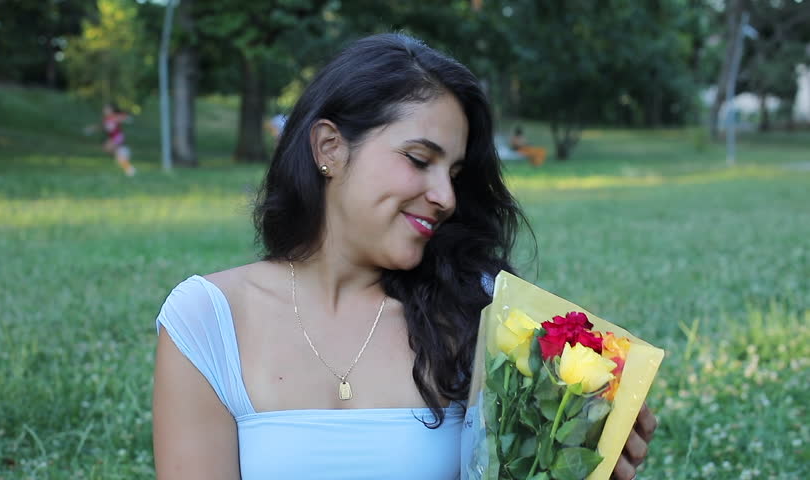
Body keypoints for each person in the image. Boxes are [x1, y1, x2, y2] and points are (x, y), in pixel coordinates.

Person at [152, 33, 656, 479]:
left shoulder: (483, 315)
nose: (446, 196)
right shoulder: (208, 319)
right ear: (329, 147)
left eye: (455, 174)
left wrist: (578, 448)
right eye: (419, 160)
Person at [85, 103, 136, 176]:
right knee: (113, 153)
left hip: (118, 136)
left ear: (112, 110)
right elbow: (101, 127)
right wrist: (91, 129)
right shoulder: (106, 119)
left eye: (107, 109)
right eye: (105, 109)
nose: (105, 111)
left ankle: (123, 152)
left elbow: (125, 117)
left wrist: (126, 118)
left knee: (108, 147)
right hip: (113, 137)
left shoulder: (115, 117)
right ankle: (126, 163)